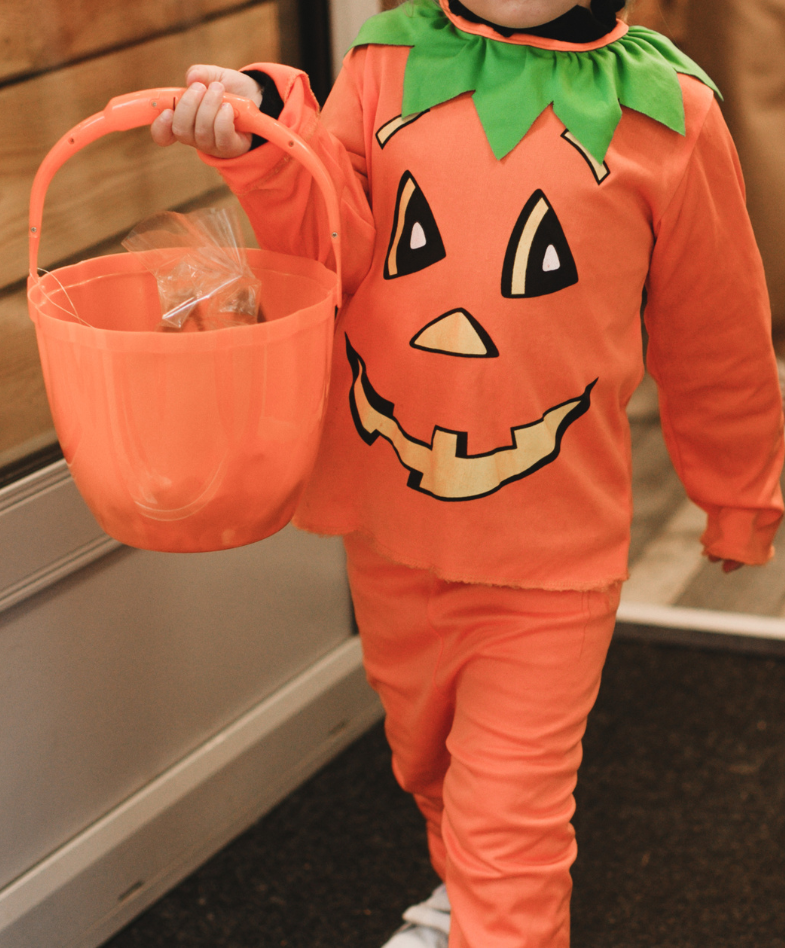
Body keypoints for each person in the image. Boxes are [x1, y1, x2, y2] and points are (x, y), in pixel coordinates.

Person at [151, 1, 785, 944]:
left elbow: (717, 330)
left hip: (552, 555)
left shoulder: (671, 110)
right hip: (391, 527)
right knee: (431, 766)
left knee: (509, 821)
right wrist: (263, 135)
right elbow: (330, 244)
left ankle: (495, 910)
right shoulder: (382, 65)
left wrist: (740, 493)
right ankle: (470, 896)